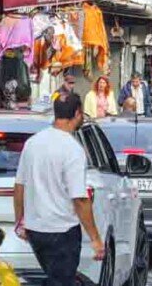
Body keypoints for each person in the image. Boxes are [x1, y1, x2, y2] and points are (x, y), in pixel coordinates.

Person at [14, 93, 104, 284]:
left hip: (36, 229)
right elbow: (79, 199)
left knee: (55, 279)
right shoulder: (73, 149)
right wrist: (95, 238)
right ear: (78, 113)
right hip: (62, 230)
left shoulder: (32, 143)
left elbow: (19, 186)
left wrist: (20, 221)